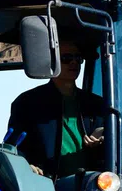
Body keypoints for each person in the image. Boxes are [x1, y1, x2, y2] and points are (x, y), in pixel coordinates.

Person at [7, 40, 106, 177]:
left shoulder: (96, 104)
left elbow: (115, 144)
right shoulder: (28, 102)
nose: (74, 62)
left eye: (78, 58)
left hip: (91, 183)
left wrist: (103, 134)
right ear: (51, 62)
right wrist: (26, 165)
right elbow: (14, 146)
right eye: (66, 58)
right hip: (44, 183)